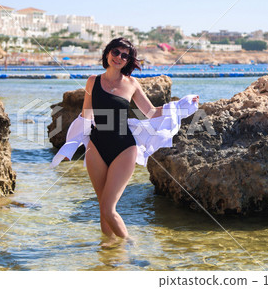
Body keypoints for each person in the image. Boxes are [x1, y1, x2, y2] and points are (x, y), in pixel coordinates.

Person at [78, 38, 199, 245]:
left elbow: (151, 112)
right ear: (107, 53)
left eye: (125, 55)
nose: (119, 57)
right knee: (102, 206)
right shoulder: (92, 81)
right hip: (96, 146)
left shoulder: (131, 84)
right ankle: (108, 253)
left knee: (109, 207)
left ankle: (128, 245)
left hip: (124, 147)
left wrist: (180, 105)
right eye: (116, 52)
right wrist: (76, 138)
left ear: (128, 61)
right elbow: (86, 114)